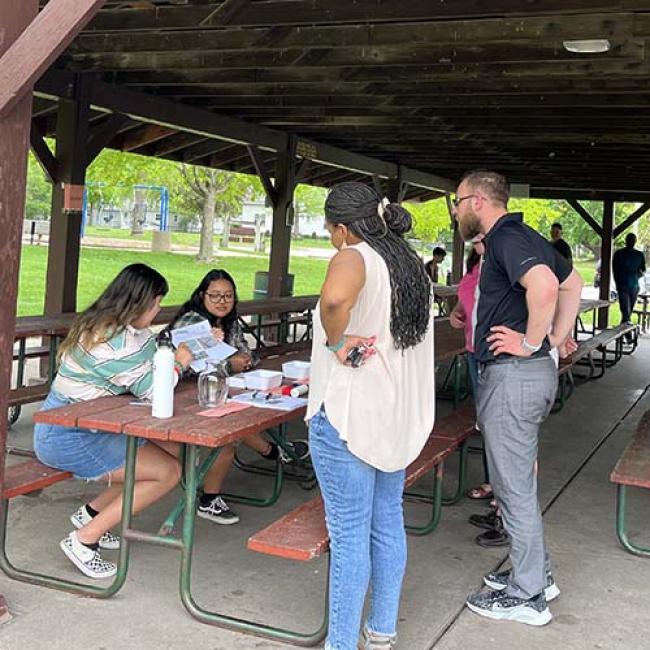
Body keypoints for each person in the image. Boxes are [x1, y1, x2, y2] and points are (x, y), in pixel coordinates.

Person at [307, 182, 435, 649]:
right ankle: (381, 630)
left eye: (328, 230)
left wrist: (336, 342)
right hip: (392, 416)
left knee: (348, 536)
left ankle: (339, 644)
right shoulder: (409, 267)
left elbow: (335, 300)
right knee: (387, 522)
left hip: (347, 416)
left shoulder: (354, 255)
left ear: (342, 228)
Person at [453, 171, 583, 626]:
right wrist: (553, 339)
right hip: (525, 376)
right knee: (516, 482)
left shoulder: (505, 237)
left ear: (477, 202)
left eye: (457, 202)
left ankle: (528, 595)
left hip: (515, 377)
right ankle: (537, 574)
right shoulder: (521, 235)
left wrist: (533, 342)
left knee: (512, 487)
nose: (455, 211)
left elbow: (547, 287)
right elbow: (573, 282)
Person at [34, 264, 191, 580]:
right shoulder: (114, 344)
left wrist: (168, 356)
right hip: (67, 434)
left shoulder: (116, 327)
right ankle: (84, 540)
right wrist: (179, 363)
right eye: (157, 303)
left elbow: (148, 354)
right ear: (139, 303)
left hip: (88, 423)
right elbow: (151, 390)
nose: (160, 309)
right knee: (167, 472)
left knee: (174, 449)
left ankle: (91, 513)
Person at [170, 269, 309, 524]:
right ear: (202, 296)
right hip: (183, 392)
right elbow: (192, 366)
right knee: (229, 430)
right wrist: (230, 366)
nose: (222, 301)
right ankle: (209, 500)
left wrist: (244, 361)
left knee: (242, 411)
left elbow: (248, 353)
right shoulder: (192, 323)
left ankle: (275, 451)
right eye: (215, 296)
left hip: (216, 388)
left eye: (228, 296)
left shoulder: (230, 322)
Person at [449, 237, 492, 502]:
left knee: (500, 422)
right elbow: (467, 298)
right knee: (486, 421)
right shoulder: (475, 264)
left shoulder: (503, 261)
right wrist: (458, 311)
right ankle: (491, 481)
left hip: (497, 355)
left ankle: (504, 492)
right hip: (474, 351)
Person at [613, 232, 646, 326]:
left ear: (635, 241)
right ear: (625, 241)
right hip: (622, 286)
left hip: (634, 286)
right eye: (629, 240)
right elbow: (615, 270)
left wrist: (637, 275)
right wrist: (618, 284)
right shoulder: (619, 254)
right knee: (625, 310)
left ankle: (623, 331)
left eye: (633, 240)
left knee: (628, 311)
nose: (631, 242)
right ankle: (628, 335)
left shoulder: (639, 255)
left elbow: (643, 270)